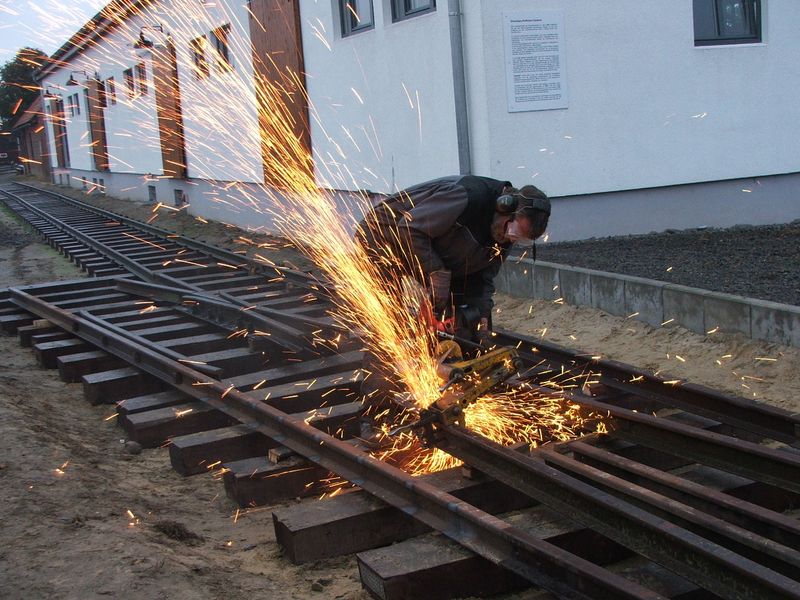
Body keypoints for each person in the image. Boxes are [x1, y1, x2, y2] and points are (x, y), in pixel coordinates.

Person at [356, 175, 550, 344]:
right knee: (389, 320)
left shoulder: (506, 233)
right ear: (504, 206)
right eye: (514, 231)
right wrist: (435, 271)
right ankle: (381, 374)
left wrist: (481, 314)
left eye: (520, 238)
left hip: (433, 247)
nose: (511, 238)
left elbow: (483, 278)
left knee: (463, 323)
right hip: (383, 236)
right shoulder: (468, 196)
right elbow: (410, 228)